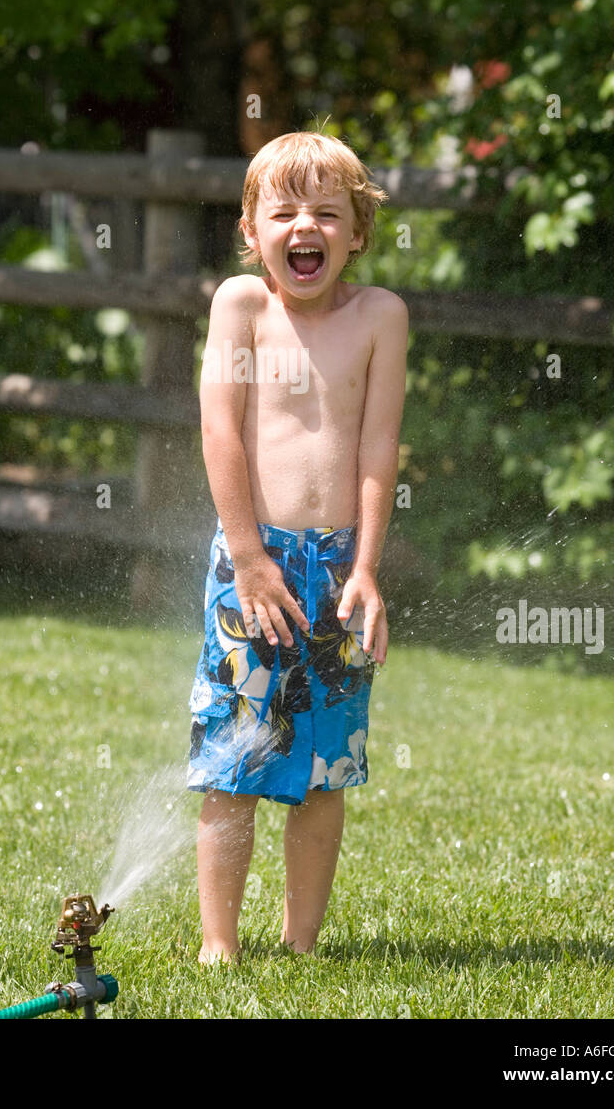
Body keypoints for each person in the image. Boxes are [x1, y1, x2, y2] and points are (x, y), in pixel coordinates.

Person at [186, 130, 409, 965]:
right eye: (282, 211)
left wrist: (366, 571)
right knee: (232, 757)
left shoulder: (381, 316)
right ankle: (219, 944)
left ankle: (302, 943)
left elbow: (378, 449)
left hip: (338, 567)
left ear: (357, 233)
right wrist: (246, 556)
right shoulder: (242, 306)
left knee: (325, 768)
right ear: (253, 231)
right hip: (253, 562)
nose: (302, 226)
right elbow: (220, 430)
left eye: (326, 212)